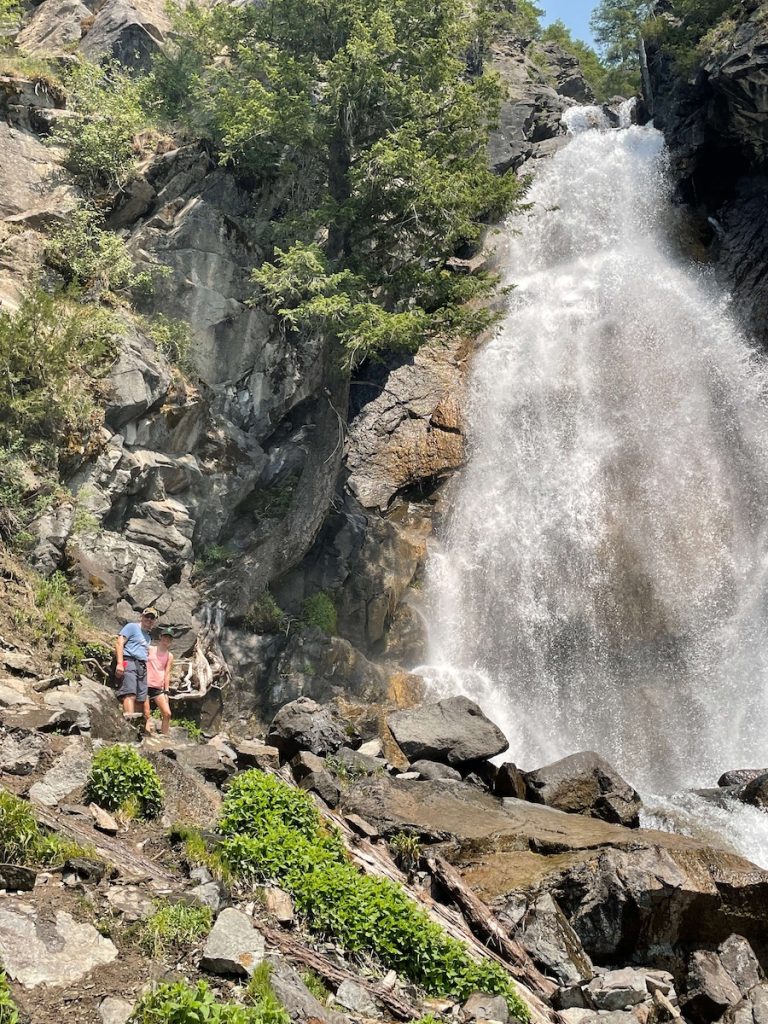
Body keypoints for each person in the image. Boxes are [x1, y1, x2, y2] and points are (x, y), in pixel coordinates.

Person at [114, 607, 157, 720]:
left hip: (142, 666)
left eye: (152, 618)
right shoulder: (132, 627)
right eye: (147, 616)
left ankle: (136, 728)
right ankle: (129, 725)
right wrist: (119, 663)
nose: (149, 619)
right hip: (129, 661)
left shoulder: (148, 637)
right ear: (141, 617)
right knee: (130, 694)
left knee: (140, 698)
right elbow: (119, 643)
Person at [146, 628, 174, 736]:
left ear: (171, 641)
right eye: (165, 636)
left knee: (167, 713)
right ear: (160, 637)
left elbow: (167, 673)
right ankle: (147, 738)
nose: (166, 639)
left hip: (158, 687)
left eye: (169, 638)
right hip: (146, 685)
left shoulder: (169, 655)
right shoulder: (150, 649)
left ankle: (164, 737)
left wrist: (166, 691)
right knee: (147, 714)